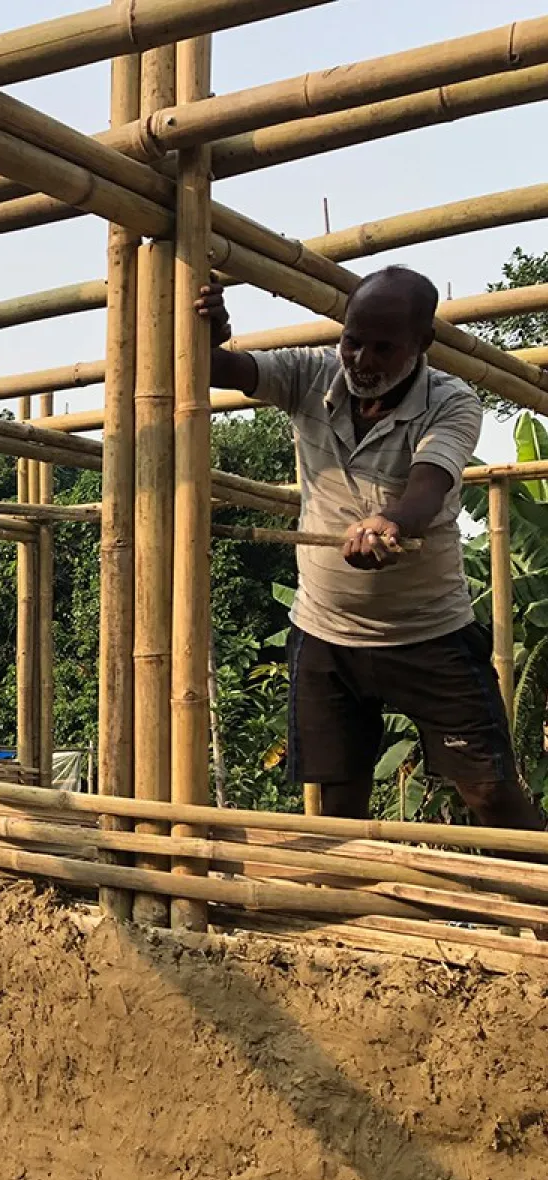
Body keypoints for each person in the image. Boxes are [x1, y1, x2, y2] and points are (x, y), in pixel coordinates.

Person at [197, 265, 545, 830]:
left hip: (429, 633)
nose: (361, 360)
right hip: (324, 634)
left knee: (489, 794)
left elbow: (430, 483)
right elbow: (219, 368)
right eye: (353, 340)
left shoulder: (451, 401)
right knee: (339, 811)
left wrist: (391, 521)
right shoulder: (311, 375)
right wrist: (212, 331)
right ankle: (349, 913)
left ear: (421, 344)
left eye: (383, 347)